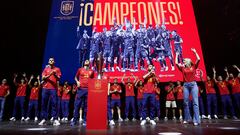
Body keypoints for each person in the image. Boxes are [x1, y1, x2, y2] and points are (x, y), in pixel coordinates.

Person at [175, 48, 200, 126]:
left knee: (195, 103)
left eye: (185, 61)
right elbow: (176, 63)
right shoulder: (183, 68)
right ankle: (187, 118)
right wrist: (176, 55)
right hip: (185, 85)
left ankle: (196, 120)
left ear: (188, 61)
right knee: (185, 102)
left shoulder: (194, 66)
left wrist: (195, 52)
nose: (183, 62)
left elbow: (198, 59)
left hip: (193, 85)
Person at [39, 57, 61, 126]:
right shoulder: (46, 69)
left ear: (54, 62)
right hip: (45, 88)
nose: (51, 61)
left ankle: (55, 119)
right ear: (48, 62)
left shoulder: (57, 69)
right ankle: (43, 119)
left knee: (54, 104)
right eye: (50, 60)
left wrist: (54, 74)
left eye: (52, 60)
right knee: (44, 104)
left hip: (53, 89)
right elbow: (42, 78)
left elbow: (58, 78)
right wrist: (49, 75)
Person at [71, 60, 94, 126]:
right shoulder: (80, 69)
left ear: (89, 63)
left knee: (86, 106)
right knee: (77, 105)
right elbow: (75, 77)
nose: (87, 61)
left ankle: (85, 120)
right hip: (80, 90)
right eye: (86, 61)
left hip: (88, 90)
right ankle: (74, 120)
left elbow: (93, 79)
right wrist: (77, 82)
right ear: (84, 63)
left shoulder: (91, 71)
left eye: (88, 61)